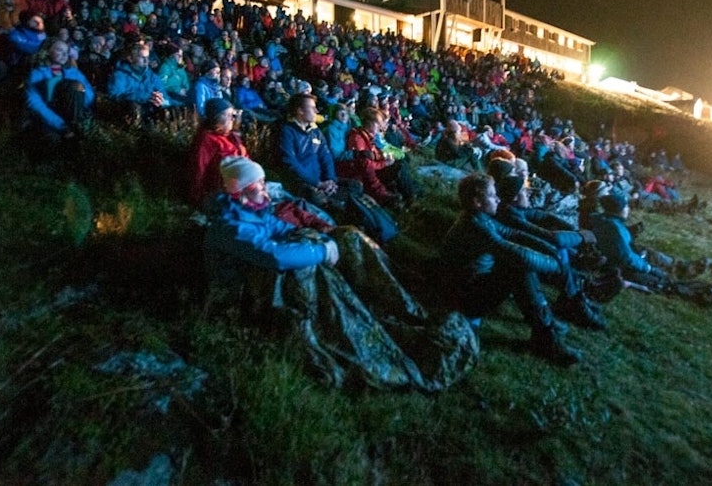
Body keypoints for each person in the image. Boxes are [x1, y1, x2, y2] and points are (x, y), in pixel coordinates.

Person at [202, 157, 478, 391]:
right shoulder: (230, 226)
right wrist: (323, 251)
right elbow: (273, 255)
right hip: (243, 296)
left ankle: (402, 306)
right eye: (256, 187)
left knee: (347, 236)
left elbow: (280, 229)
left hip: (263, 274)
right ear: (237, 192)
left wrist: (328, 238)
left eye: (263, 185)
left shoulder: (253, 211)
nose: (264, 192)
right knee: (307, 265)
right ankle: (350, 333)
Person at [441, 173, 606, 367]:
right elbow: (516, 253)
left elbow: (513, 234)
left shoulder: (480, 218)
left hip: (471, 284)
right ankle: (546, 337)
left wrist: (550, 251)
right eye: (493, 195)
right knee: (519, 268)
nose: (498, 199)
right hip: (463, 296)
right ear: (477, 201)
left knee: (519, 266)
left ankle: (546, 326)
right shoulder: (475, 226)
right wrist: (557, 265)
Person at [337, 107, 414, 208]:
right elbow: (364, 164)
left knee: (400, 164)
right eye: (378, 123)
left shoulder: (369, 136)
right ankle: (406, 198)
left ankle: (408, 194)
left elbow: (374, 155)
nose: (381, 127)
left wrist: (384, 159)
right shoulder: (358, 138)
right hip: (365, 175)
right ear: (370, 123)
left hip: (374, 169)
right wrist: (384, 164)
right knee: (398, 168)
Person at [23, 38, 95, 146]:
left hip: (75, 111)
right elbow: (35, 103)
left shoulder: (74, 73)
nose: (64, 54)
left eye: (66, 52)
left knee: (75, 85)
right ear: (47, 51)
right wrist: (61, 125)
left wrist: (81, 90)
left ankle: (76, 128)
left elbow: (89, 94)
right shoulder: (36, 74)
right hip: (51, 115)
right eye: (59, 50)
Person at [279, 92, 341, 206]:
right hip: (304, 184)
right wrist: (317, 184)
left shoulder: (315, 131)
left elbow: (326, 156)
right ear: (300, 111)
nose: (317, 111)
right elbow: (290, 163)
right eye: (312, 108)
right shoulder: (287, 132)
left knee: (355, 186)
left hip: (322, 181)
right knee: (321, 200)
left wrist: (330, 179)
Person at [188, 98, 248, 208]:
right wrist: (199, 199)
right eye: (229, 115)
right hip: (224, 191)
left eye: (233, 114)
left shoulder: (232, 135)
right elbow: (198, 169)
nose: (233, 118)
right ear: (217, 118)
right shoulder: (206, 140)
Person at [106, 39, 173, 124]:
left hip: (151, 112)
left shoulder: (152, 76)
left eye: (147, 57)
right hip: (129, 114)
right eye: (142, 57)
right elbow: (115, 97)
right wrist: (144, 97)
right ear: (130, 58)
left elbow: (166, 97)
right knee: (132, 107)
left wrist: (162, 101)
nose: (146, 61)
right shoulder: (119, 75)